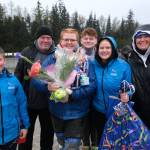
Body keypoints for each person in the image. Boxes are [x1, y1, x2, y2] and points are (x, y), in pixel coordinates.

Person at [47, 28, 97, 150]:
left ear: (77, 41)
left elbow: (92, 86)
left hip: (77, 112)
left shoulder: (85, 61)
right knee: (61, 142)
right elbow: (39, 78)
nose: (69, 42)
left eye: (72, 40)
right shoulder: (53, 58)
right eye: (66, 39)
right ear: (60, 41)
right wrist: (47, 86)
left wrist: (73, 94)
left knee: (72, 145)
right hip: (57, 111)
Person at [15, 26, 55, 150]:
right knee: (25, 137)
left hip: (49, 104)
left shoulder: (57, 54)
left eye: (49, 38)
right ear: (37, 38)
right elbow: (18, 75)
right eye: (43, 37)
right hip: (28, 103)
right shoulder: (27, 52)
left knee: (47, 136)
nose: (46, 40)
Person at [92, 36, 132, 147]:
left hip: (117, 111)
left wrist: (127, 95)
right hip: (97, 110)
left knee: (116, 141)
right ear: (97, 49)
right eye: (101, 48)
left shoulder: (123, 65)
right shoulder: (93, 64)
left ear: (113, 49)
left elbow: (129, 87)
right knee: (101, 139)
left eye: (108, 47)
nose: (104, 50)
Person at [0, 47, 30, 150]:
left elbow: (22, 104)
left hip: (11, 136)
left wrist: (24, 126)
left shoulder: (13, 81)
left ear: (4, 60)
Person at [125, 24, 150, 129]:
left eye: (146, 36)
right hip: (136, 117)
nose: (142, 39)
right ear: (134, 40)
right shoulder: (127, 59)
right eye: (139, 37)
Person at [79, 27, 98, 150]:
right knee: (84, 119)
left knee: (95, 118)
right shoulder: (77, 53)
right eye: (86, 38)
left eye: (91, 39)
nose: (88, 40)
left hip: (97, 91)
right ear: (81, 40)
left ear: (96, 40)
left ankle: (95, 143)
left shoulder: (100, 52)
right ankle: (85, 142)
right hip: (83, 90)